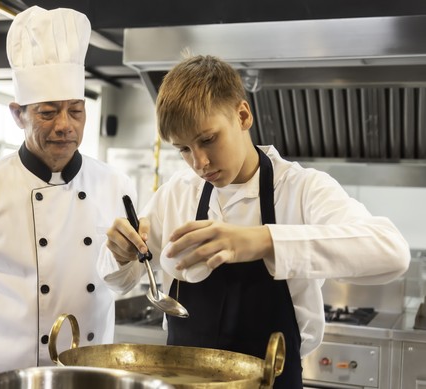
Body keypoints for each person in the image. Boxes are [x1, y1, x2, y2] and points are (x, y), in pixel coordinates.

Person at [97, 55, 410, 388]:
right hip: (183, 382)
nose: (199, 162)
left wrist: (262, 241)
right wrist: (121, 252)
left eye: (207, 140)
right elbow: (120, 282)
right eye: (183, 150)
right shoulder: (178, 193)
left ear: (242, 115)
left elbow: (392, 253)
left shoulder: (301, 189)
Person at [0, 6, 136, 387]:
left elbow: (123, 282)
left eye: (75, 111)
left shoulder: (116, 185)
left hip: (84, 374)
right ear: (17, 114)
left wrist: (129, 265)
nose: (65, 126)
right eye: (48, 112)